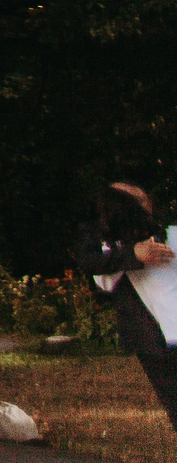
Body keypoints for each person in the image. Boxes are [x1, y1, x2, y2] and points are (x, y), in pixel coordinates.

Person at [75, 182, 177, 432]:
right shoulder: (110, 247)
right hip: (153, 340)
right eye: (135, 202)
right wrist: (134, 254)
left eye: (144, 200)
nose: (144, 206)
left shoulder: (170, 232)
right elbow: (92, 265)